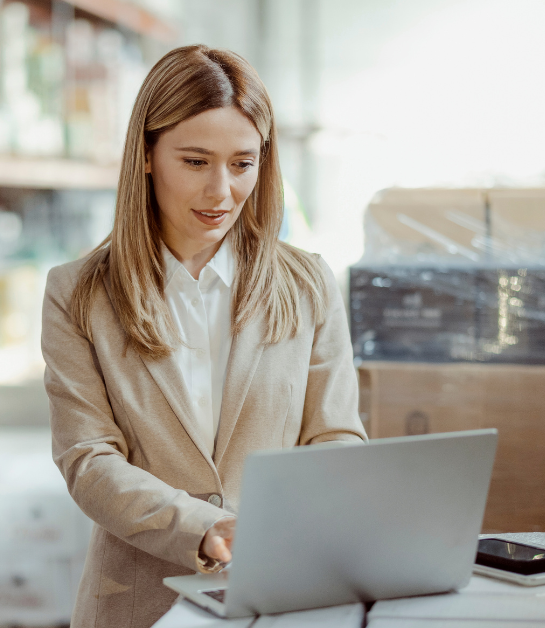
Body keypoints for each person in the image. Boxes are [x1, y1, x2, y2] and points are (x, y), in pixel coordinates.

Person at [41, 44, 367, 628]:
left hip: (286, 596)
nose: (221, 192)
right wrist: (206, 528)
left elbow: (336, 436)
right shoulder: (78, 294)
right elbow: (87, 458)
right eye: (195, 162)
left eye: (243, 164)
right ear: (146, 155)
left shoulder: (308, 282)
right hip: (138, 601)